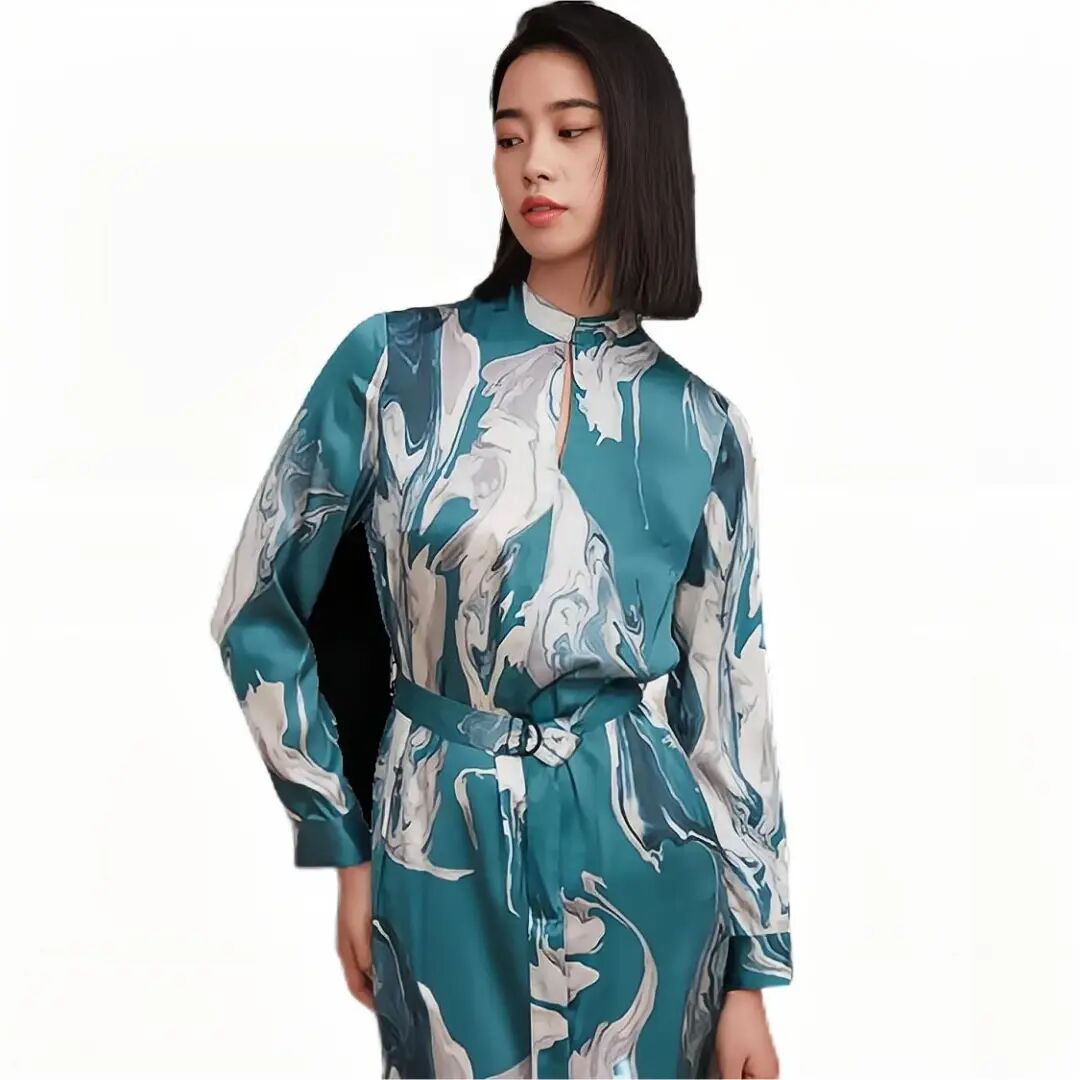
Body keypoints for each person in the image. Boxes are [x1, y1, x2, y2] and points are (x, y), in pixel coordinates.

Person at [209, 2, 792, 1077]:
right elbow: (259, 603)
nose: (535, 163)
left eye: (571, 130)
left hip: (646, 864)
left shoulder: (701, 426)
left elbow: (728, 707)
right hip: (443, 845)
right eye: (510, 133)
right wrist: (340, 836)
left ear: (638, 148)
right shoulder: (396, 368)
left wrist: (752, 975)